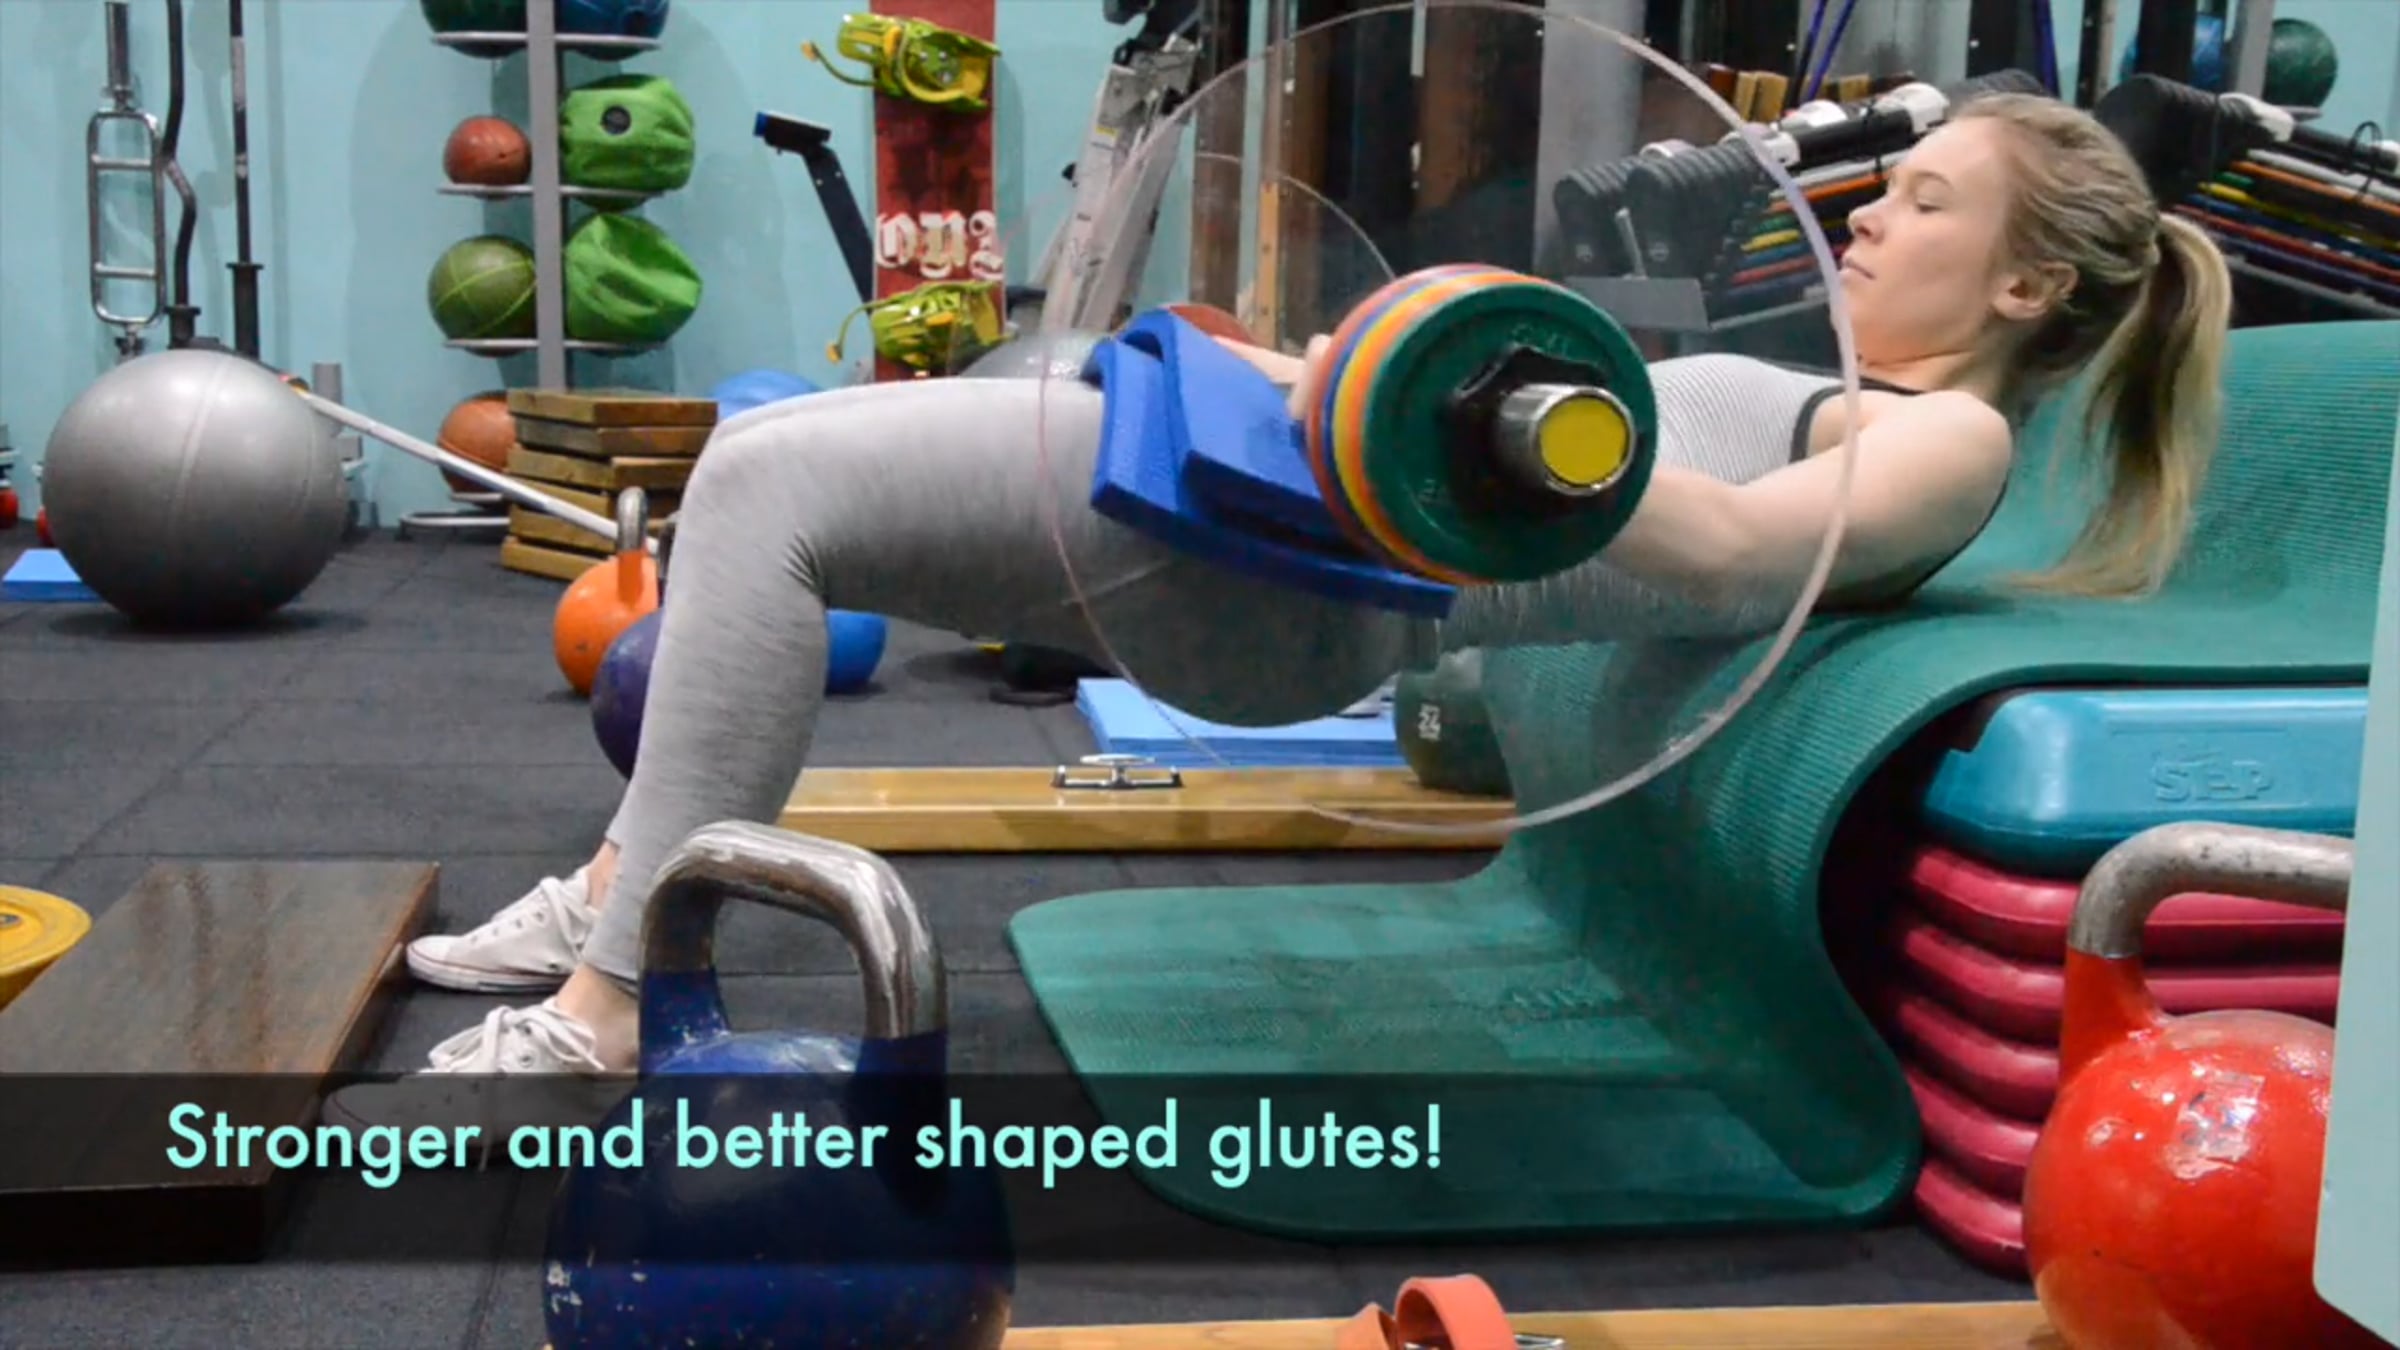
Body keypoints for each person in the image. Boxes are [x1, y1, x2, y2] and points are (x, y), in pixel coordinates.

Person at [326, 93, 2231, 1129]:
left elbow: (1737, 557)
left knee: (766, 487)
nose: (1869, 214)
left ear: (2023, 292)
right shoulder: (1830, 376)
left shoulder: (1949, 442)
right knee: (774, 464)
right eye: (1887, 187)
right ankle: (623, 883)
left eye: (1926, 201)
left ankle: (613, 996)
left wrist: (1459, 410)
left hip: (1291, 587)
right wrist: (1366, 380)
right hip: (1271, 511)